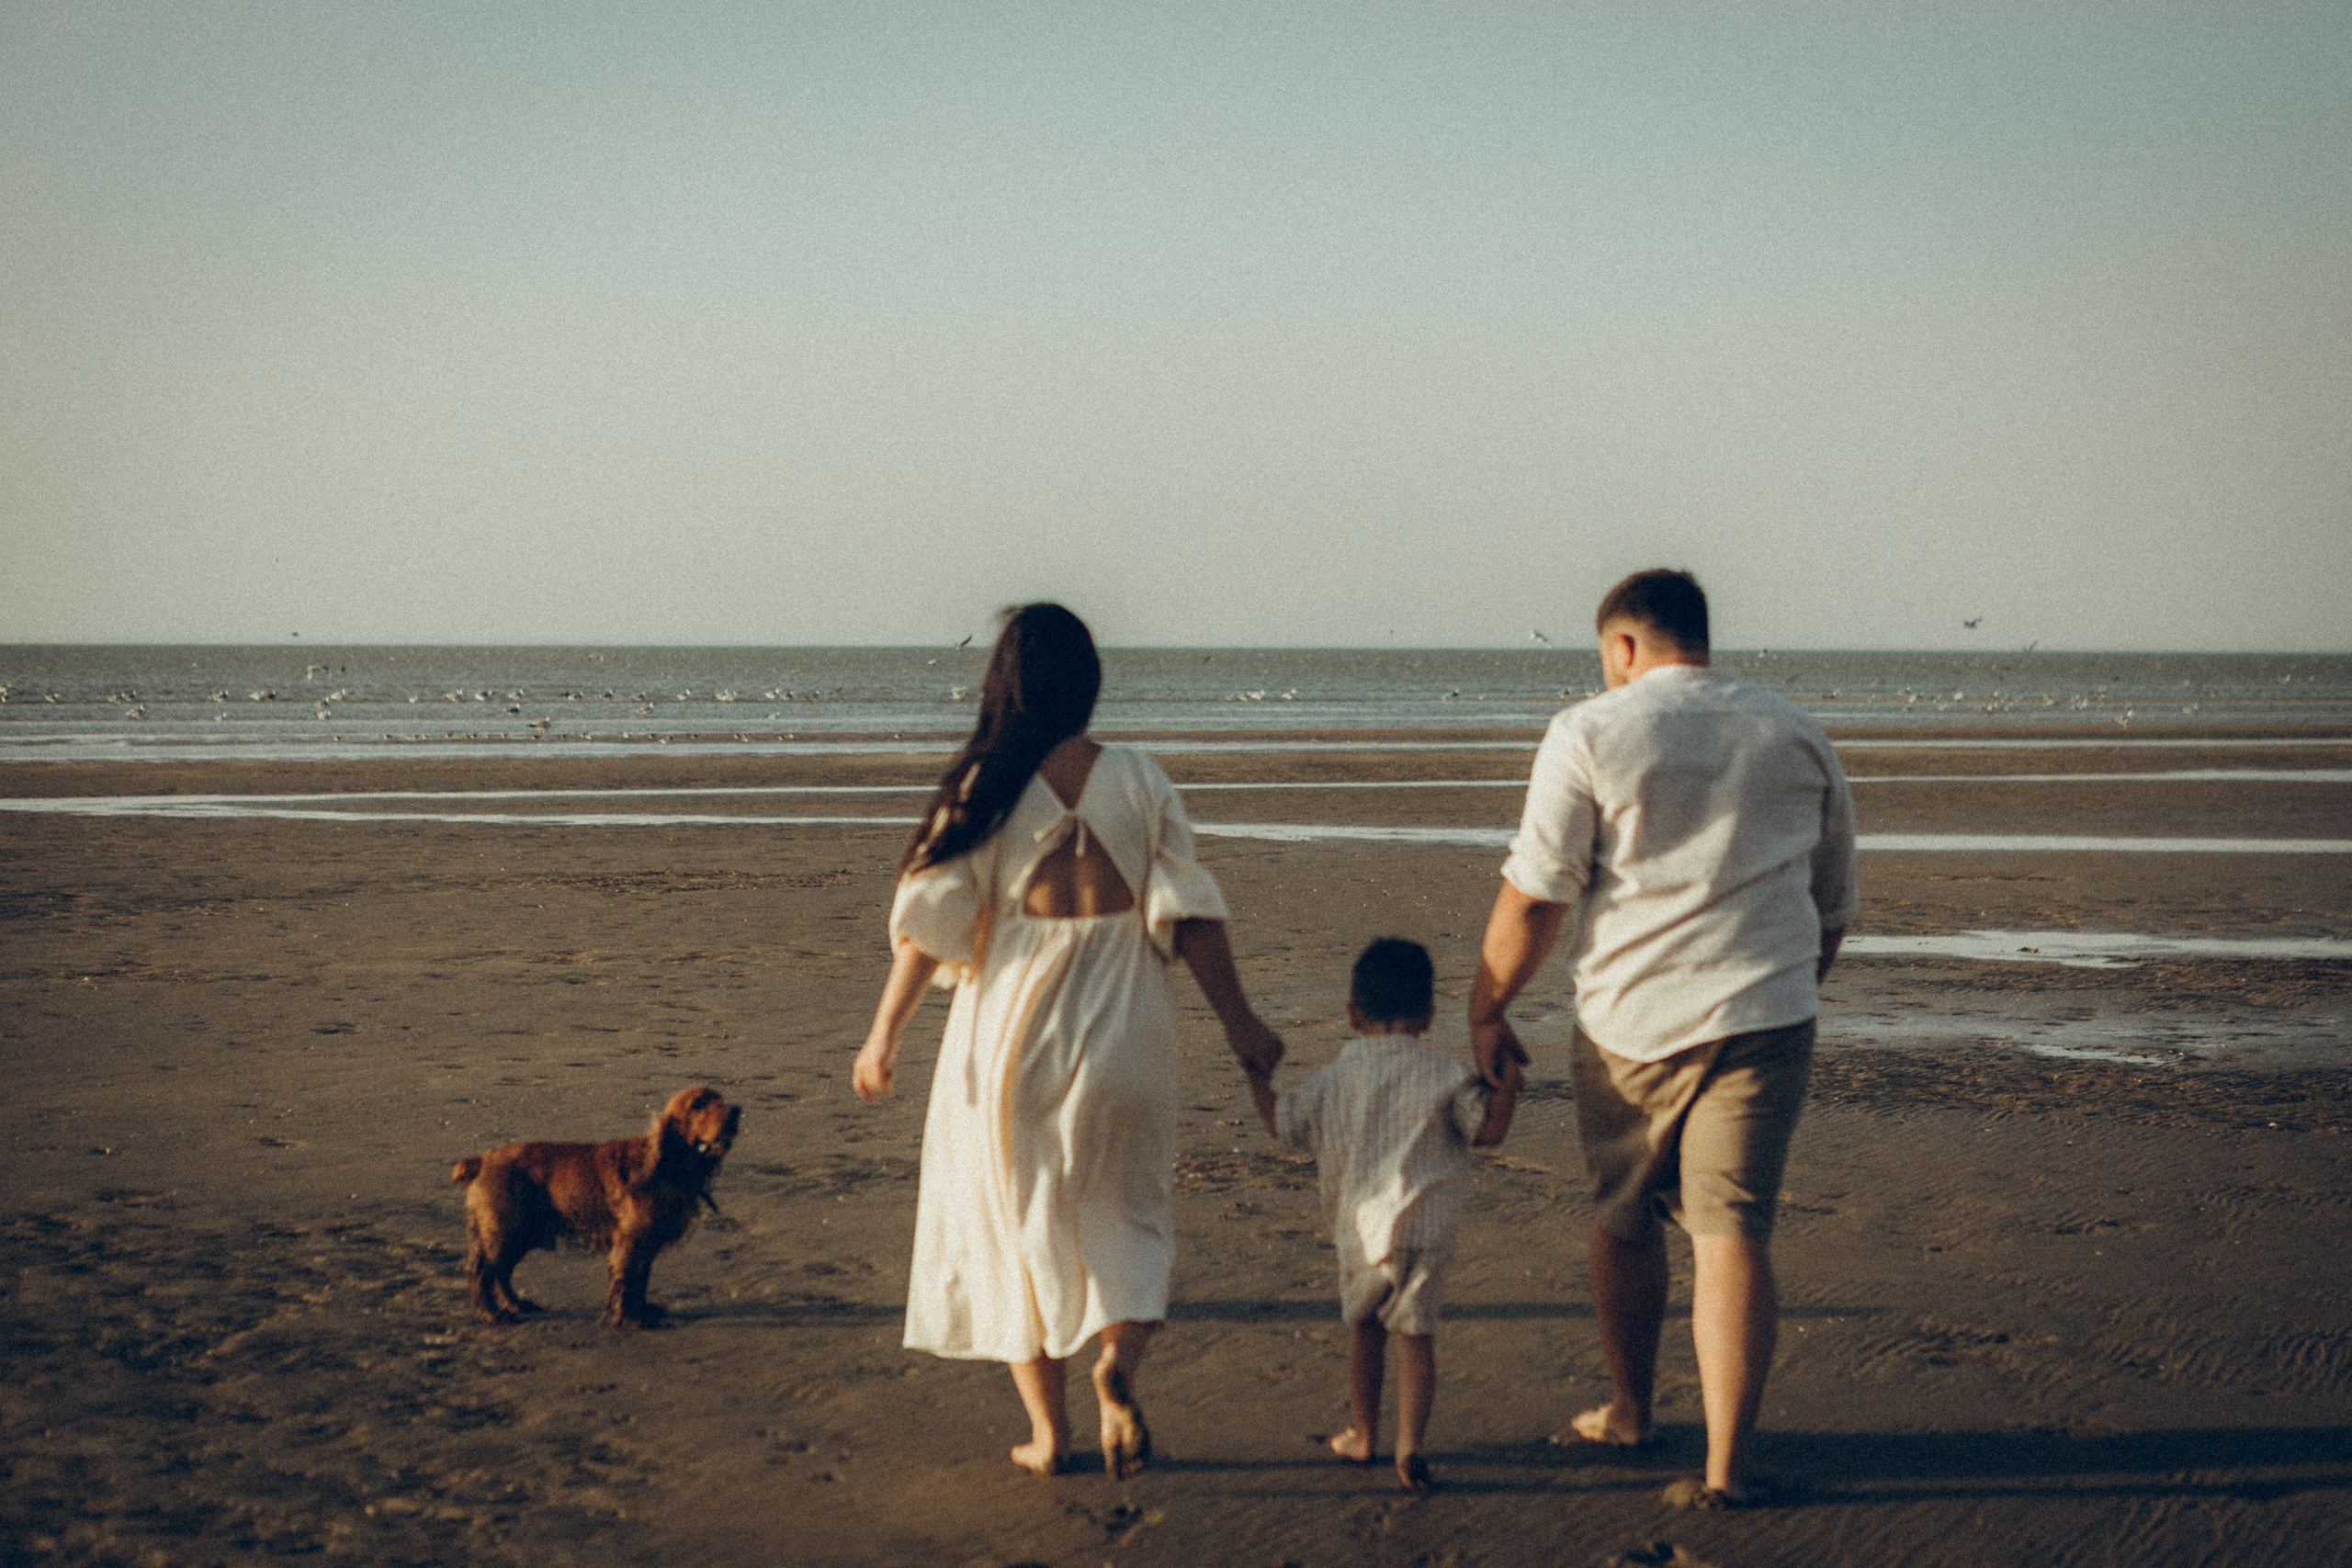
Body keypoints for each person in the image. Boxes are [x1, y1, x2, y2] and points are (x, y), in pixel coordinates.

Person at [854, 603, 1285, 1479]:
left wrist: (883, 1034)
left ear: (1002, 681)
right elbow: (1192, 916)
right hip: (1128, 1028)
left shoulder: (986, 783)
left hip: (1012, 1033)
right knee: (1131, 1213)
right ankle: (1117, 1366)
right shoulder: (1140, 776)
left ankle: (1051, 1438)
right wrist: (1245, 1027)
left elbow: (929, 929)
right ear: (1088, 679)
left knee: (1014, 1229)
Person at [1468, 569, 1857, 1508]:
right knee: (1733, 1234)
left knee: (1624, 1214)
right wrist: (1786, 985)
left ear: (1624, 647)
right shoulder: (1793, 729)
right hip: (1765, 1014)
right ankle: (1725, 1468)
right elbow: (1831, 900)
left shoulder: (1590, 730)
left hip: (1627, 1025)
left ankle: (1631, 1408)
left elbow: (1537, 893)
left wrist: (1485, 1005)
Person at [1244, 938, 1522, 1491]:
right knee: (1415, 1337)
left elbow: (1284, 1123)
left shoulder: (1331, 1080)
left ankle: (1364, 1433)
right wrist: (1508, 1078)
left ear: (1352, 1014)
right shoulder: (1445, 1075)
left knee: (1365, 1333)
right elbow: (1489, 1132)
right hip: (1424, 1230)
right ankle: (1410, 1446)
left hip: (1360, 1233)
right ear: (1427, 1015)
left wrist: (1257, 1077)